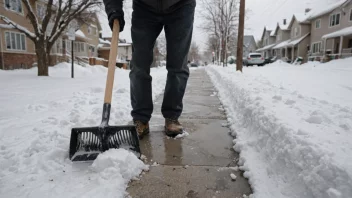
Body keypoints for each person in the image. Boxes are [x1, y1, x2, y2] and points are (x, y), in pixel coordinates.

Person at [103, 0, 196, 138]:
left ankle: (172, 116)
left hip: (181, 5)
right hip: (144, 6)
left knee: (178, 65)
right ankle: (141, 118)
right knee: (139, 64)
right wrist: (113, 9)